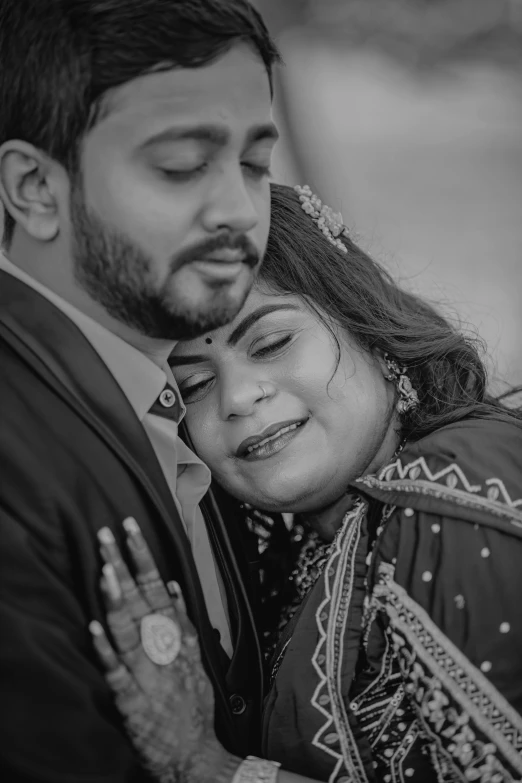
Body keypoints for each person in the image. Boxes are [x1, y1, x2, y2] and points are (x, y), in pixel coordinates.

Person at [92, 183, 522, 783]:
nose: (239, 397)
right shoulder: (308, 549)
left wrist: (205, 764)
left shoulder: (453, 495)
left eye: (271, 343)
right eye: (193, 386)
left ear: (368, 331)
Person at [0, 1, 282, 780]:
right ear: (34, 188)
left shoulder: (183, 391)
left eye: (255, 163)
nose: (238, 211)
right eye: (183, 164)